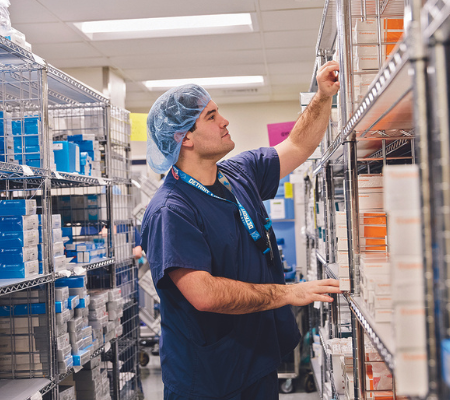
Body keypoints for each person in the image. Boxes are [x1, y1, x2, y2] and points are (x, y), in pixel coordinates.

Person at [141, 60, 342, 400]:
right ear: (184, 137)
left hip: (256, 362)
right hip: (207, 377)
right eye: (211, 116)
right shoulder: (170, 211)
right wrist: (288, 293)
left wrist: (323, 97)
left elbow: (297, 146)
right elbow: (203, 294)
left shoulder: (238, 174)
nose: (224, 121)